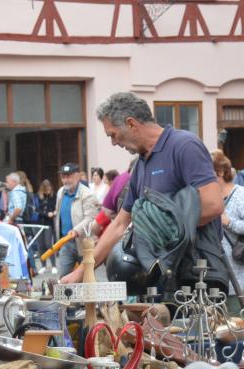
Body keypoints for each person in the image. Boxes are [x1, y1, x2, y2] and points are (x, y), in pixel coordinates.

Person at [59, 92, 222, 284]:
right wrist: (81, 273)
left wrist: (154, 226)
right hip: (162, 276)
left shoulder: (184, 145)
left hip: (199, 275)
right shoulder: (140, 165)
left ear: (131, 124)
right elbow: (119, 224)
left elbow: (213, 205)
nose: (113, 142)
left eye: (113, 135)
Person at [212, 150, 244, 313]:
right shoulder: (207, 198)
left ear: (220, 172)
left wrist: (229, 222)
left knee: (235, 333)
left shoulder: (242, 195)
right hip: (213, 283)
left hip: (239, 285)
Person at [53, 163, 99, 275]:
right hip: (65, 242)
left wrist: (76, 230)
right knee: (63, 278)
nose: (65, 180)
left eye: (68, 176)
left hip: (84, 243)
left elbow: (90, 218)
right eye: (63, 177)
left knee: (87, 278)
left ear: (77, 176)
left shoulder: (87, 194)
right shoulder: (60, 192)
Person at [36, 179, 58, 273]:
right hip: (39, 223)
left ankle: (53, 265)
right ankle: (43, 265)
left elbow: (56, 207)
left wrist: (54, 212)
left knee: (48, 244)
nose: (49, 190)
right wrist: (46, 213)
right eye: (47, 189)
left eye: (49, 188)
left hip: (49, 223)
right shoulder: (38, 197)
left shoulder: (54, 196)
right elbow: (37, 209)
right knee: (40, 245)